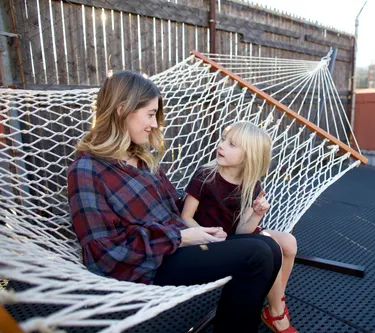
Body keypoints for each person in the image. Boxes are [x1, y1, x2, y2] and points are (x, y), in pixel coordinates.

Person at [67, 70, 283, 333]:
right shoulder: (87, 170)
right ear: (122, 110)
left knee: (270, 247)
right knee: (257, 254)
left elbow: (174, 208)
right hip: (150, 264)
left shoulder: (143, 158)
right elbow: (103, 252)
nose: (155, 125)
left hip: (180, 243)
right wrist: (180, 238)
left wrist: (210, 214)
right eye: (150, 114)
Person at [181, 121, 298, 333]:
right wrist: (204, 235)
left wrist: (256, 213)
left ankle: (276, 303)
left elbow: (243, 231)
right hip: (213, 240)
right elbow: (185, 217)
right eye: (223, 140)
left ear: (248, 156)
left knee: (289, 242)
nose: (221, 145)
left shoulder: (251, 183)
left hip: (237, 236)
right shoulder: (205, 176)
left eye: (232, 144)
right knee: (273, 247)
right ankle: (276, 314)